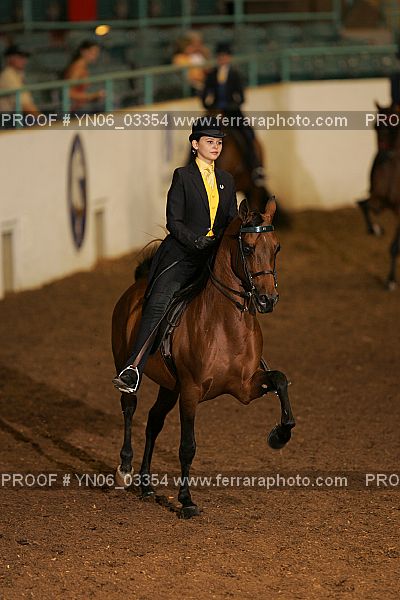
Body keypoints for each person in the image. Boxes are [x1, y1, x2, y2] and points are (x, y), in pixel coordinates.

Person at [113, 116, 238, 394]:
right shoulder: (183, 177)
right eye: (209, 141)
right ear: (195, 144)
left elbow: (231, 220)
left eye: (218, 142)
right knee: (159, 301)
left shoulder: (227, 180)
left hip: (214, 256)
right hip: (183, 255)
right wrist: (196, 241)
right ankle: (133, 367)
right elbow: (174, 221)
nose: (215, 147)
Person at [202, 42, 265, 184]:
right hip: (215, 112)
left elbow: (241, 98)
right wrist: (210, 105)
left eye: (225, 56)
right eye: (220, 56)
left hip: (232, 113)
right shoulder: (212, 75)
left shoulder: (235, 75)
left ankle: (256, 167)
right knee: (198, 134)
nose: (222, 59)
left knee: (247, 134)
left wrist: (232, 106)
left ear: (229, 58)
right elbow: (205, 95)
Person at [63, 41, 105, 111]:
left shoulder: (82, 66)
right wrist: (93, 96)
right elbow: (68, 93)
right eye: (93, 52)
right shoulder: (78, 67)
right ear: (83, 52)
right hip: (75, 108)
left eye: (97, 53)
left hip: (82, 105)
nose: (96, 56)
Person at [0, 45, 38, 114]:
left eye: (25, 57)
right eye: (20, 57)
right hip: (9, 117)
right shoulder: (8, 75)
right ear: (9, 58)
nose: (24, 60)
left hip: (19, 115)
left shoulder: (18, 73)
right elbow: (24, 106)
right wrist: (43, 119)